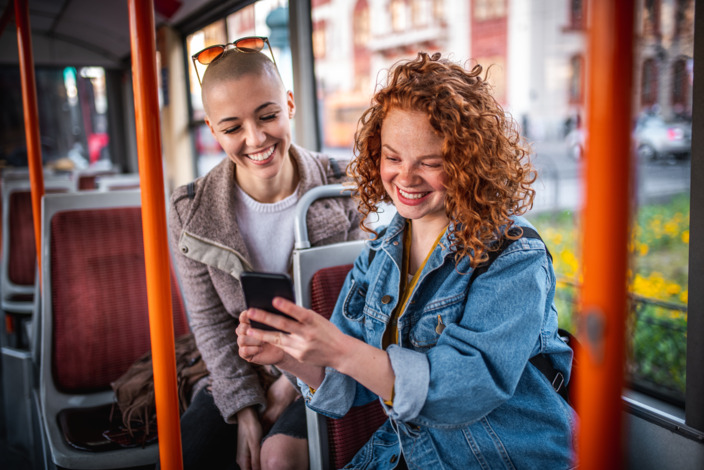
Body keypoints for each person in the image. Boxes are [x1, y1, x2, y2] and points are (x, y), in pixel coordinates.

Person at [236, 52, 576, 469]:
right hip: (411, 452)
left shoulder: (514, 256)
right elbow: (349, 386)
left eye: (430, 163)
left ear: (469, 164)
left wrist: (340, 350)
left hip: (504, 456)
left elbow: (463, 389)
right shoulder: (379, 254)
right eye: (393, 158)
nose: (406, 178)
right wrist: (288, 355)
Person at [168, 37, 363, 470]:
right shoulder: (190, 210)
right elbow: (210, 322)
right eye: (233, 127)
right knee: (187, 452)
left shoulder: (343, 187)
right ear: (212, 128)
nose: (255, 139)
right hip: (244, 369)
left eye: (268, 115)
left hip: (326, 369)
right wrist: (244, 410)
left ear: (289, 104)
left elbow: (356, 308)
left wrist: (292, 381)